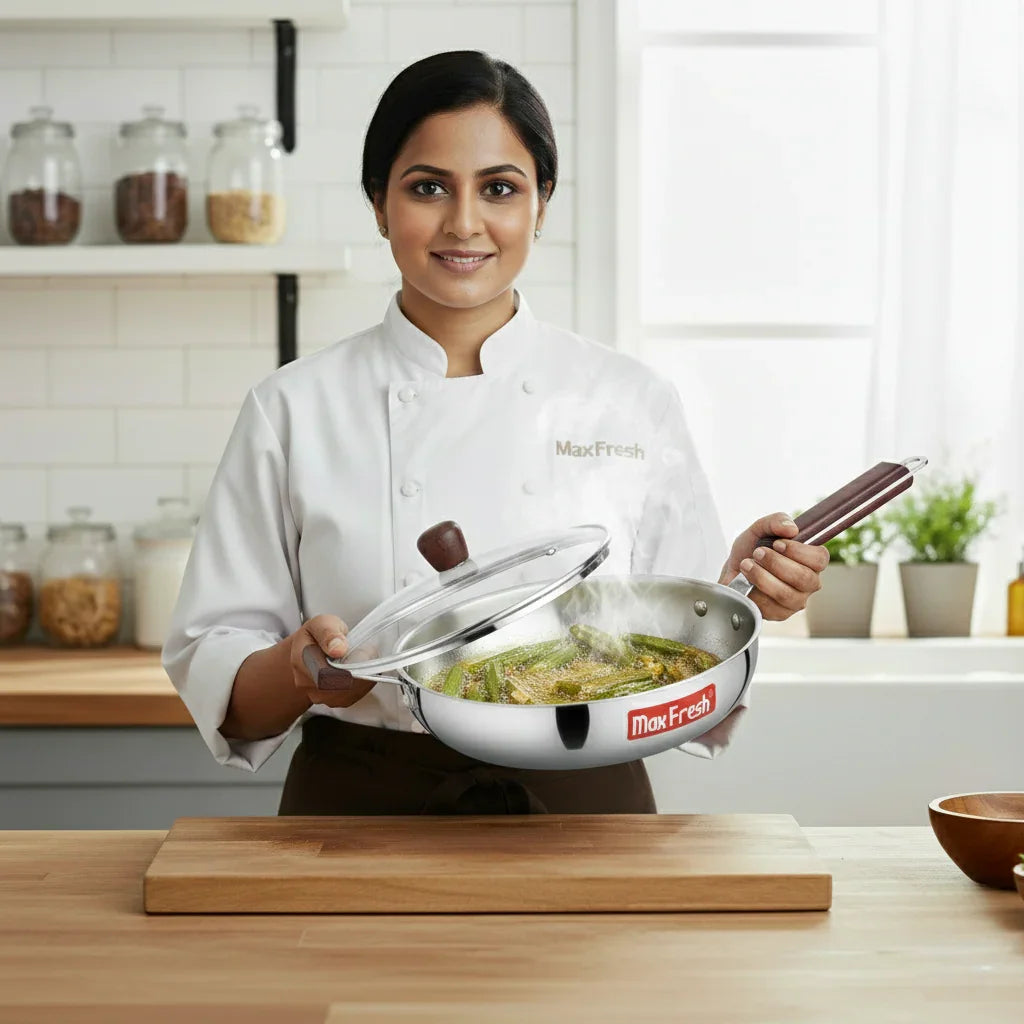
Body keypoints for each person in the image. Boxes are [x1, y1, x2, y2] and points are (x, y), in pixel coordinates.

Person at [162, 51, 828, 816]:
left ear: (542, 204)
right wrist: (295, 669)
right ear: (379, 204)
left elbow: (688, 681)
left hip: (588, 808)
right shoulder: (291, 409)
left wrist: (742, 597)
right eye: (427, 187)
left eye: (500, 189)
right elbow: (221, 679)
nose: (464, 223)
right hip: (359, 805)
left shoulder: (629, 400)